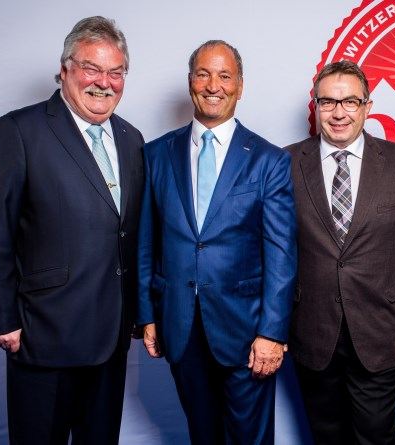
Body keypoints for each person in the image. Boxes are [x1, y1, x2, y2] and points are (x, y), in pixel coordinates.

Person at [0, 16, 144, 444]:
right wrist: (1, 317)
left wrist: (142, 313)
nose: (104, 82)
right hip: (43, 332)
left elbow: (129, 234)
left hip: (111, 336)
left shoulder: (132, 139)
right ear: (65, 69)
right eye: (91, 68)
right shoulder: (19, 131)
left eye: (116, 72)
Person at [137, 40, 296, 445]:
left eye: (225, 76)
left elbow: (281, 256)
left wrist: (272, 332)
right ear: (190, 81)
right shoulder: (156, 155)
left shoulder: (269, 160)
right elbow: (146, 243)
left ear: (240, 86)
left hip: (247, 333)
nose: (213, 86)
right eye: (203, 74)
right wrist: (147, 315)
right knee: (202, 435)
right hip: (180, 326)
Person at [287, 60, 395, 445]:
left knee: (376, 435)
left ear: (367, 106)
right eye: (328, 102)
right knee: (326, 436)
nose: (339, 113)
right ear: (316, 106)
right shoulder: (285, 163)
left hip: (381, 329)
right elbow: (274, 251)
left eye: (350, 101)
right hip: (312, 330)